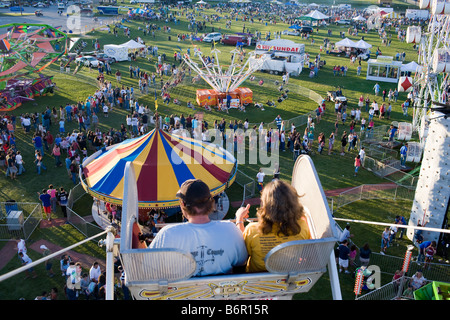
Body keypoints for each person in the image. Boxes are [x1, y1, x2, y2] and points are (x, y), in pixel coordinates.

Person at [149, 179, 248, 276]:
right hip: (220, 291)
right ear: (210, 202)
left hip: (182, 291)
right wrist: (239, 219)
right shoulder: (230, 229)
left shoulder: (167, 234)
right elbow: (242, 261)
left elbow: (147, 265)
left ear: (183, 204)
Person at [235, 179, 311, 272]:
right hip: (285, 280)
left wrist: (239, 219)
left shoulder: (252, 230)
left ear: (265, 205)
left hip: (256, 279)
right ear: (293, 202)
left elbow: (242, 252)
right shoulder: (302, 227)